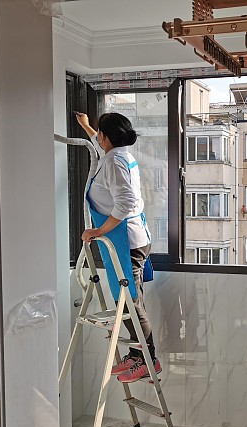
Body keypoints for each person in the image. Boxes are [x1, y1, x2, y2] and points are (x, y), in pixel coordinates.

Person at [75, 111, 159, 383]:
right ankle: (136, 355)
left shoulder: (114, 162)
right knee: (127, 301)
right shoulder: (117, 154)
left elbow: (125, 203)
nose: (98, 138)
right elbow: (100, 146)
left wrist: (98, 231)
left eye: (99, 133)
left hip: (127, 241)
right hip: (127, 239)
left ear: (106, 136)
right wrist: (87, 126)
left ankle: (148, 360)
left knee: (130, 302)